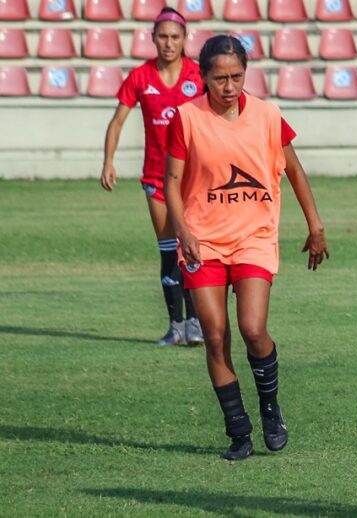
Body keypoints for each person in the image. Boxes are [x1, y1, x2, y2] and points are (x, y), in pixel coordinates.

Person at [164, 35, 329, 461]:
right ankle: (239, 433)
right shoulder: (186, 119)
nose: (229, 86)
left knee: (253, 329)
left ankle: (271, 410)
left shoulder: (269, 116)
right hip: (203, 242)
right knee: (216, 337)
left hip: (254, 238)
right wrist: (182, 231)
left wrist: (315, 225)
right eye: (219, 78)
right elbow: (171, 183)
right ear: (202, 76)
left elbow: (293, 169)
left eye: (237, 76)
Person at [100, 7, 204, 346]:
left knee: (191, 250)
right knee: (168, 251)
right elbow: (117, 121)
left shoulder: (198, 75)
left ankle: (197, 326)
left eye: (175, 37)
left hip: (193, 180)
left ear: (185, 39)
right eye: (163, 36)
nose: (169, 43)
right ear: (153, 38)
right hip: (156, 181)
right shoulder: (140, 77)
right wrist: (108, 161)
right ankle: (176, 327)